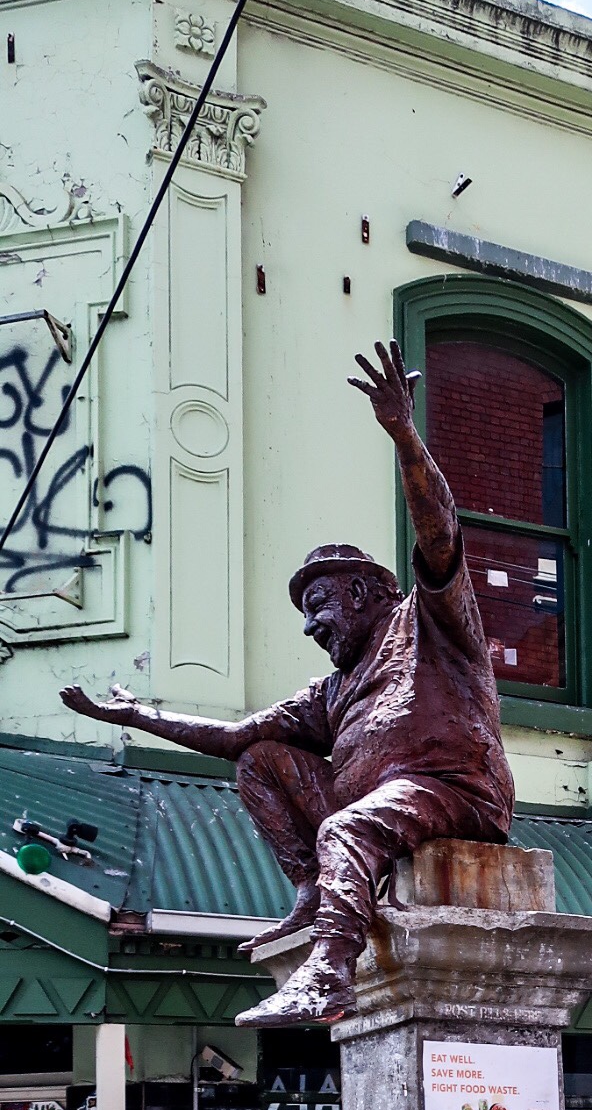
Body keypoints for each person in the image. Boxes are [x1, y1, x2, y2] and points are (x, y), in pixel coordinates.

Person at [60, 340, 515, 1025]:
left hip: (454, 791)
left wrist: (403, 434)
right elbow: (235, 736)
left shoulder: (430, 619)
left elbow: (440, 531)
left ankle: (329, 972)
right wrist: (138, 717)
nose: (310, 627)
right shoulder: (332, 689)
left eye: (319, 606)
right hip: (378, 805)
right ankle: (311, 891)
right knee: (261, 760)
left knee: (346, 828)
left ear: (362, 591)